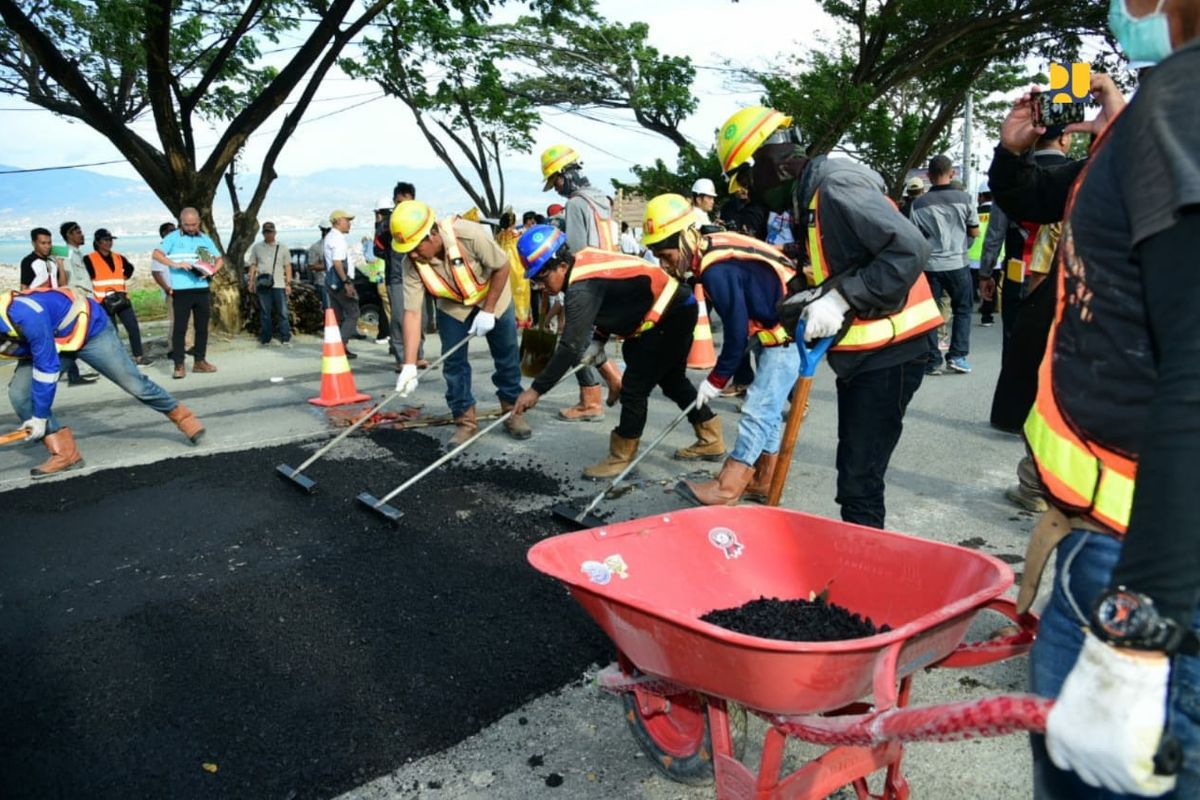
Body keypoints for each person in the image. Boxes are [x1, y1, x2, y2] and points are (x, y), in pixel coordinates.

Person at [988, 6, 1200, 795]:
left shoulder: (1184, 101)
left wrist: (1136, 636)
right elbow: (1038, 201)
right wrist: (1016, 155)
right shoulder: (1154, 115)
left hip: (1144, 561)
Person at [719, 105, 938, 529]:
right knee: (855, 472)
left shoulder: (835, 188)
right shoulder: (809, 200)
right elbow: (844, 266)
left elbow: (908, 249)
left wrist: (839, 301)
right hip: (865, 352)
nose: (748, 193)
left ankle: (864, 574)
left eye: (746, 181)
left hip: (893, 348)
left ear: (768, 166)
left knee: (859, 480)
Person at [511, 225, 725, 477]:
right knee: (673, 381)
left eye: (542, 276)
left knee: (634, 388)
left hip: (671, 316)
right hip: (675, 309)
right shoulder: (582, 264)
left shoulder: (581, 288)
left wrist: (536, 390)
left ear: (560, 264)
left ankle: (621, 455)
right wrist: (599, 340)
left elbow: (569, 347)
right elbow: (615, 301)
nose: (540, 285)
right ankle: (711, 437)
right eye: (535, 279)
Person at [638, 194, 796, 504]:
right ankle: (763, 479)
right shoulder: (709, 248)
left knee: (757, 408)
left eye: (667, 255)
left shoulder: (715, 268)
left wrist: (715, 380)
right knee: (769, 411)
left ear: (684, 238)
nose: (665, 264)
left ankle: (728, 485)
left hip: (788, 329)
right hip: (778, 323)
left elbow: (736, 336)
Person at [1, 286, 205, 478]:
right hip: (54, 341)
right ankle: (65, 454)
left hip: (90, 330)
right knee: (20, 395)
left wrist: (39, 416)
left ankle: (183, 417)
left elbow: (46, 369)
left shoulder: (24, 315)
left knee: (134, 384)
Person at [390, 200, 532, 444]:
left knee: (507, 356)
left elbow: (502, 266)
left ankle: (512, 412)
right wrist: (409, 364)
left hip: (493, 298)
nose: (412, 254)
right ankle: (465, 420)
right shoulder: (411, 263)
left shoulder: (468, 234)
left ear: (432, 233)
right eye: (407, 250)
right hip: (454, 306)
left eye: (415, 247)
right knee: (453, 363)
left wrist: (488, 311)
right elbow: (412, 313)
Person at [538, 144, 623, 422]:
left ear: (565, 174)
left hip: (588, 279)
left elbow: (575, 250)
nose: (558, 187)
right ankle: (611, 383)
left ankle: (592, 402)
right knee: (585, 342)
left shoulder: (575, 203)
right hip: (609, 275)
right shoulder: (600, 198)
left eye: (557, 181)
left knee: (573, 343)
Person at [979, 127, 1074, 354]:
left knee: (1015, 341)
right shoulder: (1077, 174)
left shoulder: (1014, 176)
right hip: (1063, 274)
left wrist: (986, 273)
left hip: (1018, 271)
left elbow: (995, 233)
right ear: (1063, 138)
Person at [910, 154, 981, 375]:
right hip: (958, 263)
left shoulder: (918, 204)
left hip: (930, 266)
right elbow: (975, 231)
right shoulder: (965, 198)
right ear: (952, 173)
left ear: (928, 176)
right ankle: (957, 356)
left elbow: (915, 237)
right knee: (963, 309)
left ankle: (932, 361)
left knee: (930, 312)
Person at [152, 207, 221, 379]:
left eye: (194, 224)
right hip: (181, 290)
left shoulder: (204, 238)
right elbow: (156, 254)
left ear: (199, 222)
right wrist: (175, 264)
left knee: (202, 328)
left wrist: (211, 271)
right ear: (181, 222)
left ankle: (200, 361)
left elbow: (218, 259)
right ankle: (179, 364)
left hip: (202, 288)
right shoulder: (172, 238)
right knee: (180, 328)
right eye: (187, 225)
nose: (191, 228)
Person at [86, 228, 153, 365]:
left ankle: (138, 356)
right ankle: (117, 360)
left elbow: (129, 269)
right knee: (112, 332)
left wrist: (122, 277)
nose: (109, 242)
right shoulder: (89, 259)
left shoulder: (118, 257)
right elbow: (87, 278)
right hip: (102, 301)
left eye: (110, 240)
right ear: (98, 242)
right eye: (106, 240)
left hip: (121, 298)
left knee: (133, 327)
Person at [54, 221, 99, 386]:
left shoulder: (77, 253)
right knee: (76, 336)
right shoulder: (66, 253)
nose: (82, 235)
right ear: (69, 235)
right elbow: (66, 279)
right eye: (78, 232)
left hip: (85, 297)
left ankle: (75, 373)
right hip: (77, 298)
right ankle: (68, 372)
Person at [246, 221, 293, 347]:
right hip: (262, 284)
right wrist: (251, 281)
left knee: (282, 312)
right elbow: (253, 265)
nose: (268, 234)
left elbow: (287, 266)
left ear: (275, 232)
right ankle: (266, 338)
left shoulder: (282, 247)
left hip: (279, 284)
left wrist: (288, 283)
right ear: (263, 233)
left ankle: (285, 337)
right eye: (266, 232)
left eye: (270, 232)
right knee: (265, 312)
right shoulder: (257, 247)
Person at [322, 209, 360, 356]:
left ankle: (336, 345)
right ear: (338, 221)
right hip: (340, 280)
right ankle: (341, 345)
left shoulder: (329, 237)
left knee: (337, 315)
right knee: (353, 312)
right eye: (347, 220)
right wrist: (346, 282)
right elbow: (338, 263)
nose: (349, 224)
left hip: (331, 281)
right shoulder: (338, 239)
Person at [971, 183, 997, 326]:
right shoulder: (999, 213)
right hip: (995, 257)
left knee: (974, 287)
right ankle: (987, 317)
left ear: (980, 196)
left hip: (973, 257)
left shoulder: (974, 212)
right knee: (990, 288)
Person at [719, 171, 769, 240]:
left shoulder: (762, 208)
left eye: (745, 186)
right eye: (740, 186)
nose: (744, 190)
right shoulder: (727, 207)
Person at [306, 219, 331, 308]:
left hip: (336, 283)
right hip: (323, 283)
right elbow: (311, 266)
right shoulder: (315, 247)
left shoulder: (336, 245)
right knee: (328, 310)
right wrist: (327, 265)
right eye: (325, 230)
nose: (326, 232)